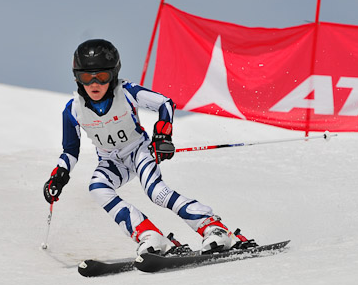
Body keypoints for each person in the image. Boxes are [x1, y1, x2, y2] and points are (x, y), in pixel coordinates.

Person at [43, 39, 255, 256]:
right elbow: (70, 150)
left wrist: (162, 136)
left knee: (157, 193)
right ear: (77, 78)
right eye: (86, 77)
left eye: (102, 76)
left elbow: (164, 103)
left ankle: (213, 227)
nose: (94, 84)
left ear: (113, 75)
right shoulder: (73, 109)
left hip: (139, 151)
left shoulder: (126, 92)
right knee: (98, 188)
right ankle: (149, 235)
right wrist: (59, 175)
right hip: (111, 162)